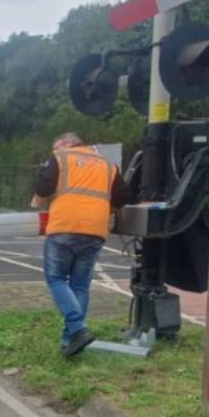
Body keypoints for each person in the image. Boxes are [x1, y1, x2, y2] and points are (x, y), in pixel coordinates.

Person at [31, 132, 130, 356]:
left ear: (66, 143)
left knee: (56, 279)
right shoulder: (108, 165)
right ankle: (70, 342)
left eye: (56, 147)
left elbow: (44, 185)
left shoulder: (62, 158)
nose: (54, 152)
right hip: (95, 230)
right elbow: (123, 196)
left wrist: (37, 200)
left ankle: (78, 327)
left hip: (65, 225)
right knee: (80, 285)